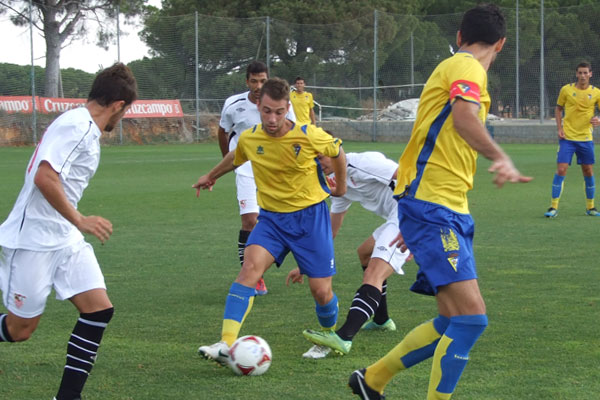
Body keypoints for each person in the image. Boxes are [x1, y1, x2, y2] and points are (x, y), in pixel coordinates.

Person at [347, 5, 531, 399]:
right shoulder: (467, 68)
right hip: (434, 208)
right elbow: (465, 119)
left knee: (453, 320)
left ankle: (372, 379)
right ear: (501, 43)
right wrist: (500, 157)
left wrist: (413, 221)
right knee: (472, 320)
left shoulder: (462, 68)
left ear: (461, 34)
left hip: (442, 209)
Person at [0, 63, 137, 400]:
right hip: (33, 240)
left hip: (64, 239)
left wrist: (72, 226)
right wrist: (80, 219)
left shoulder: (83, 126)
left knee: (98, 309)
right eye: (125, 111)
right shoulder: (77, 126)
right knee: (20, 330)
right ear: (119, 106)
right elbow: (45, 177)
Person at [193, 77, 347, 365]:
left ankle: (328, 335)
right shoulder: (251, 137)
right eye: (266, 111)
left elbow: (338, 151)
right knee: (249, 269)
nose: (272, 118)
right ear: (259, 107)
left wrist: (341, 188)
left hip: (310, 219)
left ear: (288, 108)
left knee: (321, 290)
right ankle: (226, 345)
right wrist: (210, 176)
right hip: (273, 220)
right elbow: (235, 157)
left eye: (278, 112)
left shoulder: (308, 134)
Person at [286, 150, 411, 359]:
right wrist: (306, 266)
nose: (319, 163)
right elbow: (331, 230)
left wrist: (416, 225)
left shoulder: (363, 163)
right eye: (313, 160)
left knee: (374, 274)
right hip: (397, 216)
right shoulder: (338, 183)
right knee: (365, 253)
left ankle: (344, 337)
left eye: (321, 157)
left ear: (337, 152)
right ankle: (382, 320)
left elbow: (409, 178)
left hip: (411, 216)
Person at [218, 61, 296, 295]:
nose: (258, 85)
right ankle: (253, 276)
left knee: (278, 221)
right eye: (254, 81)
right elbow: (223, 131)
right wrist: (228, 161)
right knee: (250, 221)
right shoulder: (233, 104)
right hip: (245, 169)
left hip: (274, 170)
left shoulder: (279, 104)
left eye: (263, 80)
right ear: (247, 81)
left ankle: (259, 267)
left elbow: (294, 132)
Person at [544, 61, 600, 218]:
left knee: (588, 171)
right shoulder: (566, 90)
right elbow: (558, 109)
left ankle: (591, 207)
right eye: (580, 73)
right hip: (567, 137)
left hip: (586, 138)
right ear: (576, 74)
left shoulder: (596, 92)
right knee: (561, 169)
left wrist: (599, 120)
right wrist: (559, 128)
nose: (582, 76)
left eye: (585, 73)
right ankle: (553, 207)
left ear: (590, 74)